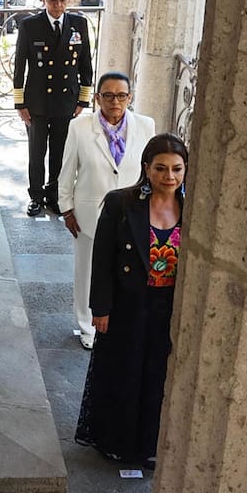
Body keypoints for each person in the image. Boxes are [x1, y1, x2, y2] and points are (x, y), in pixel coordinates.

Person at [74, 133, 188, 469]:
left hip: (168, 306)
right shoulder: (121, 203)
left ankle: (149, 443)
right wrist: (101, 309)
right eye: (161, 168)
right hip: (128, 305)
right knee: (123, 371)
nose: (170, 176)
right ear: (147, 169)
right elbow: (103, 259)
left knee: (157, 374)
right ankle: (115, 440)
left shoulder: (193, 206)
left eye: (177, 169)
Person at [58, 72, 155, 349]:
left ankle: (120, 320)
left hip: (132, 212)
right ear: (98, 97)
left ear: (130, 97)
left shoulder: (146, 126)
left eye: (121, 95)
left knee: (127, 268)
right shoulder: (80, 127)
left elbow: (150, 169)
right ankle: (87, 326)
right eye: (108, 95)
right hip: (90, 214)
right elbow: (67, 171)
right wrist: (67, 209)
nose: (115, 101)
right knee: (88, 269)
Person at [13, 0, 93, 217]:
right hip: (37, 101)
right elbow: (20, 66)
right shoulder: (30, 25)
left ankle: (54, 195)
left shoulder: (79, 24)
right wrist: (20, 102)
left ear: (68, 0)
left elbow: (85, 63)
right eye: (52, 0)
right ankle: (36, 196)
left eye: (61, 0)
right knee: (37, 152)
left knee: (60, 152)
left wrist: (82, 99)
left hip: (65, 101)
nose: (57, 5)